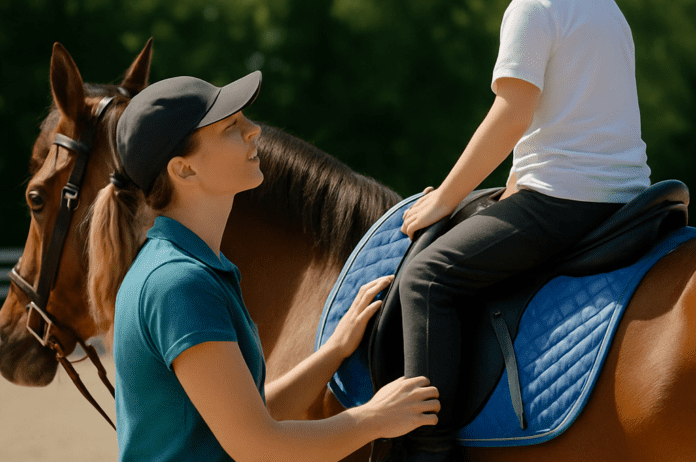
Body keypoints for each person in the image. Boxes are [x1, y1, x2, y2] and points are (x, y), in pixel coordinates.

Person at [393, 0, 652, 459]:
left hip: (562, 202)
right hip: (625, 200)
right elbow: (571, 122)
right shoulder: (603, 5)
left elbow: (511, 116)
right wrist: (510, 184)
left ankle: (425, 450)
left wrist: (442, 199)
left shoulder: (532, 7)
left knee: (427, 278)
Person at [86, 71, 440, 462]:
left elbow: (253, 416)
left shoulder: (193, 267)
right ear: (184, 169)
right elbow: (258, 446)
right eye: (230, 127)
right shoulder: (178, 283)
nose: (254, 131)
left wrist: (335, 350)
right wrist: (374, 419)